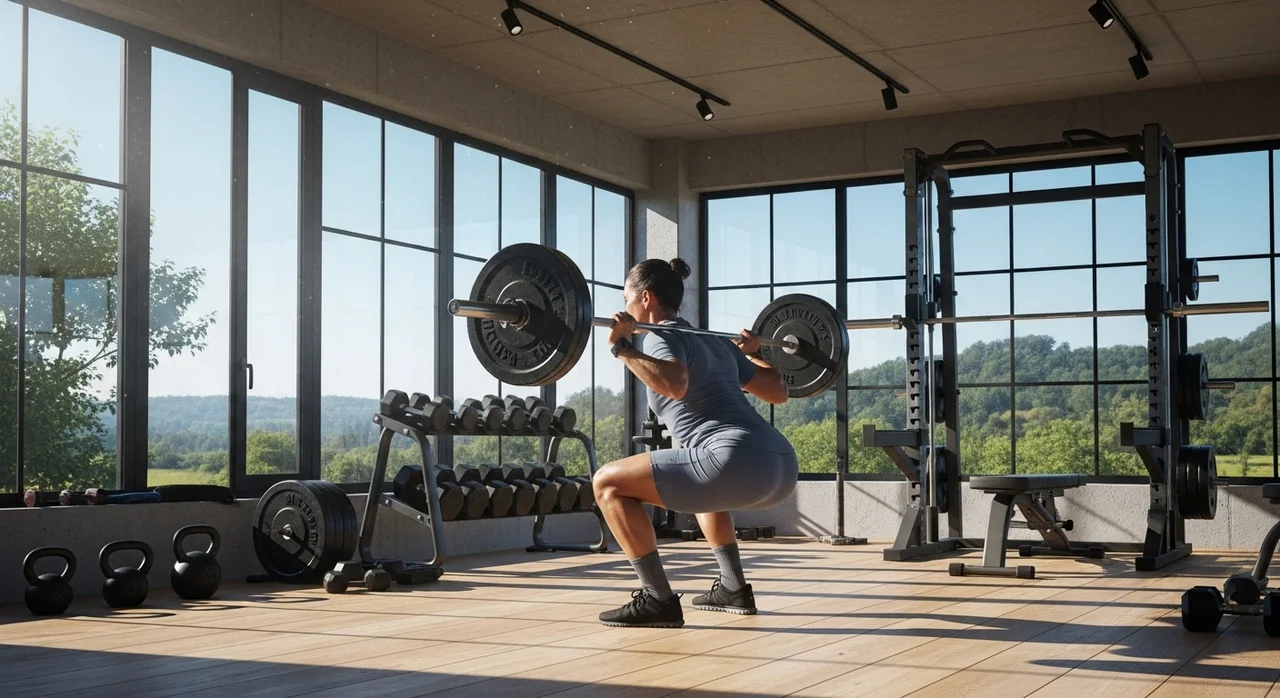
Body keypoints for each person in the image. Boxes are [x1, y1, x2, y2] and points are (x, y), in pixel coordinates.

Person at [592, 257, 799, 629]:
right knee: (699, 474)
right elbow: (778, 391)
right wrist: (753, 352)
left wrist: (621, 347)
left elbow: (674, 383)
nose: (623, 308)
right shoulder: (714, 341)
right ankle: (733, 587)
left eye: (626, 298)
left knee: (606, 482)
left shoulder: (658, 336)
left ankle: (657, 599)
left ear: (646, 298)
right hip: (780, 464)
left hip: (733, 458)